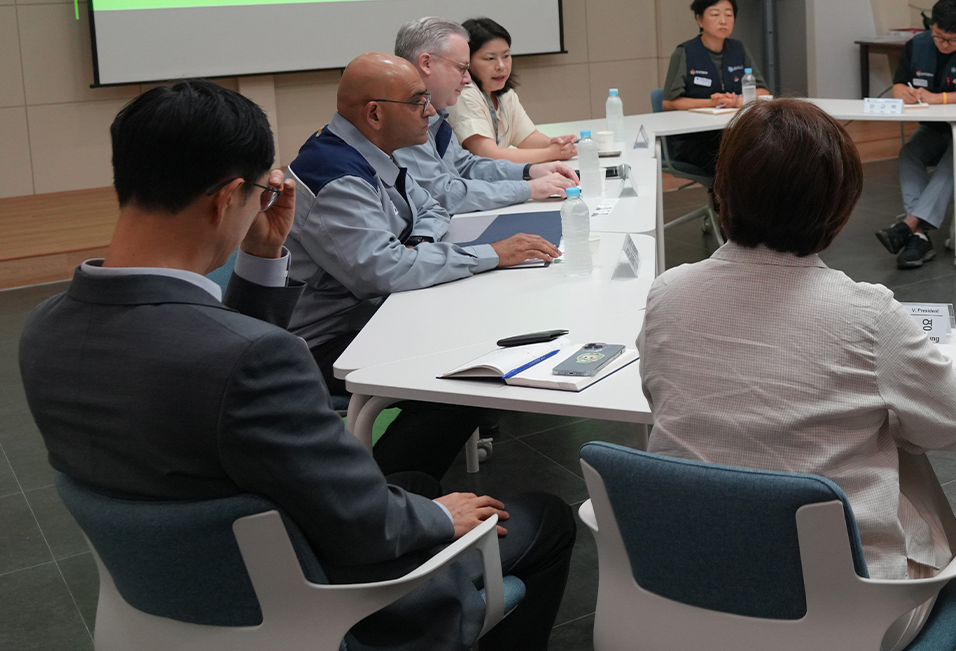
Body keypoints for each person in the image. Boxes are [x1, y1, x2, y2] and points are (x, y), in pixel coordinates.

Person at [18, 80, 574, 651]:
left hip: (173, 584)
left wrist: (261, 259)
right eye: (261, 192)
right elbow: (365, 521)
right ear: (226, 198)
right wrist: (436, 518)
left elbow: (208, 368)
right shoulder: (252, 359)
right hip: (311, 594)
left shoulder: (45, 329)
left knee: (411, 482)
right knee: (543, 518)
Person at [642, 98, 956, 651]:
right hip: (846, 617)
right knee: (905, 465)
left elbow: (658, 396)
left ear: (723, 194)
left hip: (689, 594)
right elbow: (951, 421)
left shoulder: (666, 294)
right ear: (840, 207)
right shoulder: (868, 314)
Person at [287, 53, 562, 476]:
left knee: (477, 332)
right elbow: (385, 272)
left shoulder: (371, 149)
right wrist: (492, 254)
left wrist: (415, 246)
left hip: (375, 313)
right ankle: (387, 492)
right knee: (463, 380)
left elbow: (431, 208)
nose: (430, 112)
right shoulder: (335, 176)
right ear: (375, 113)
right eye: (418, 102)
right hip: (326, 342)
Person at [393, 17, 577, 213]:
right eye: (461, 68)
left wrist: (529, 171)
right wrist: (528, 188)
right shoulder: (402, 118)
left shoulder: (435, 111)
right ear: (426, 63)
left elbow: (464, 165)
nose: (467, 79)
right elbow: (442, 194)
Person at [875, 0, 956, 269]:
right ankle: (918, 236)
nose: (944, 44)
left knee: (953, 160)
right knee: (909, 154)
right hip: (934, 129)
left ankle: (909, 226)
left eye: (953, 41)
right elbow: (898, 86)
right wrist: (904, 94)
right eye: (939, 36)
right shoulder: (917, 44)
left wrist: (939, 98)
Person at [661, 0, 770, 175]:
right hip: (695, 138)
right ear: (699, 20)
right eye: (715, 14)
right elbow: (669, 102)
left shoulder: (738, 49)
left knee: (766, 154)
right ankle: (726, 195)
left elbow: (762, 91)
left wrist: (738, 101)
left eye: (729, 15)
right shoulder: (685, 52)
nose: (723, 21)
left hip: (733, 132)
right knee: (732, 162)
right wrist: (711, 103)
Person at [450, 16, 581, 165]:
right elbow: (489, 155)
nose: (501, 66)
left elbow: (527, 137)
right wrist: (552, 152)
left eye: (506, 56)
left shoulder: (505, 94)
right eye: (490, 59)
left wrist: (555, 144)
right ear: (467, 62)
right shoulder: (463, 94)